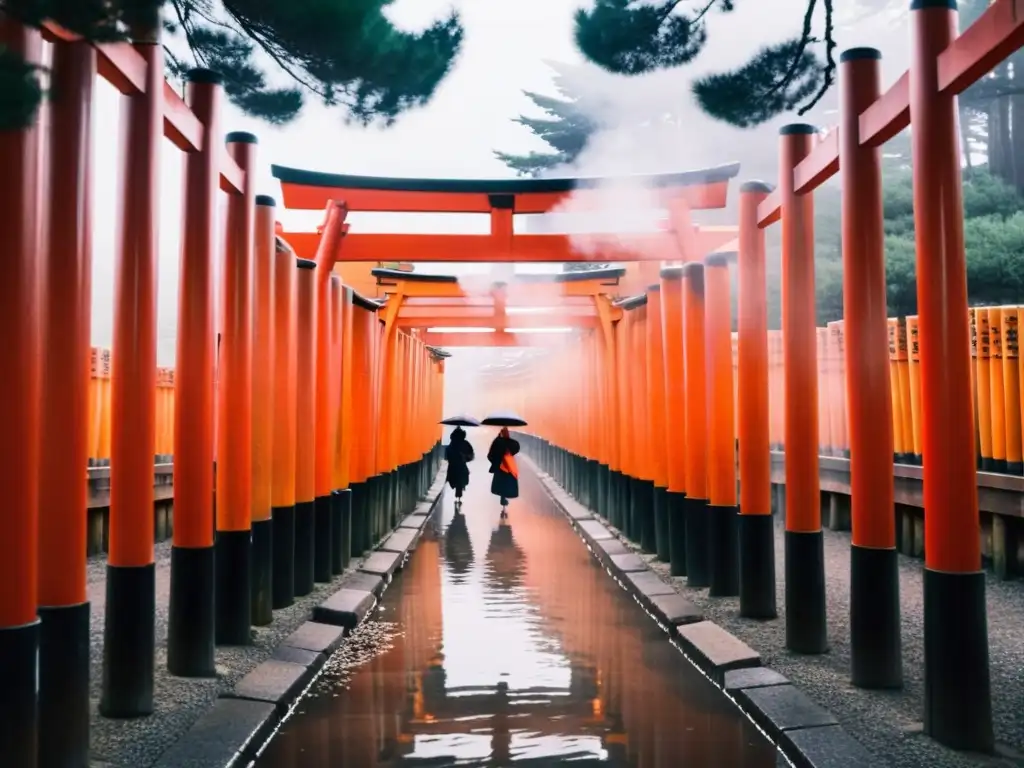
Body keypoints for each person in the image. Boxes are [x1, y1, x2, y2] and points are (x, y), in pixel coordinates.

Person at [487, 427, 520, 516]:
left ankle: (502, 497)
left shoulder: (497, 442)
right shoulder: (511, 443)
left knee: (500, 483)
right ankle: (504, 497)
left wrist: (494, 462)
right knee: (506, 484)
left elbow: (490, 455)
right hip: (508, 467)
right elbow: (517, 447)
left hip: (499, 467)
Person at [445, 427, 475, 505]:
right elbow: (471, 454)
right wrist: (465, 458)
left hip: (453, 466)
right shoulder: (465, 443)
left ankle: (458, 492)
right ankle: (460, 491)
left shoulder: (452, 443)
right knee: (462, 479)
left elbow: (448, 453)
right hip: (462, 466)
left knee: (454, 479)